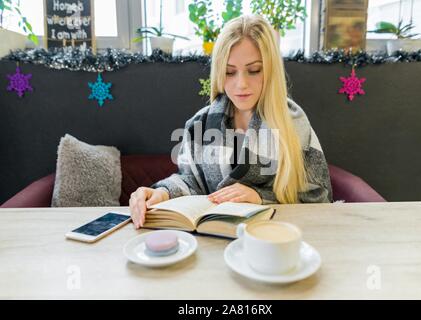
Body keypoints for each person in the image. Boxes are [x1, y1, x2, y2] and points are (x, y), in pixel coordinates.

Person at [129, 15, 332, 229]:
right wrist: (161, 193)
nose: (241, 84)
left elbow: (318, 197)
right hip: (215, 241)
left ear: (271, 71)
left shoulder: (294, 123)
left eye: (254, 70)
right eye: (229, 72)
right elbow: (190, 181)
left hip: (275, 241)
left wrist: (259, 196)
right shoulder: (200, 124)